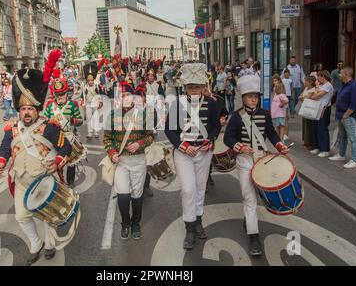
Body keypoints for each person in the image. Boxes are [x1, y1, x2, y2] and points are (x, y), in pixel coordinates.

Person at [0, 67, 72, 265]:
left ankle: (48, 244)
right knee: (21, 216)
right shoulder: (11, 129)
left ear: (37, 110)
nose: (26, 112)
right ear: (19, 111)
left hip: (45, 179)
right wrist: (1, 161)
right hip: (22, 181)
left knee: (47, 217)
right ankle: (35, 242)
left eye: (30, 109)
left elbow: (65, 147)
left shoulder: (50, 126)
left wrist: (57, 163)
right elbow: (4, 148)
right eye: (23, 109)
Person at [224, 74, 288, 256]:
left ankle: (248, 218)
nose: (254, 99)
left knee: (262, 195)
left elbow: (272, 134)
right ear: (243, 97)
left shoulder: (265, 114)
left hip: (262, 160)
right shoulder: (236, 117)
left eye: (256, 96)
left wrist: (279, 145)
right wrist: (240, 146)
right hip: (244, 161)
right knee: (249, 198)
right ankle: (254, 236)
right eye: (250, 96)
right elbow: (228, 137)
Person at [165, 63, 221, 250]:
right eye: (191, 87)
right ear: (185, 87)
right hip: (183, 153)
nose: (194, 90)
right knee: (188, 189)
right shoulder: (176, 104)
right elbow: (170, 130)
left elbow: (215, 126)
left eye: (197, 86)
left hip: (204, 152)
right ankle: (189, 227)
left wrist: (210, 139)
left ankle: (198, 221)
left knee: (199, 189)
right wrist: (182, 145)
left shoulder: (213, 104)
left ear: (203, 86)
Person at [103, 81, 154, 240]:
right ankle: (125, 223)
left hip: (138, 160)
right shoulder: (112, 116)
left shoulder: (143, 114)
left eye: (127, 95)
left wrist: (140, 143)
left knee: (137, 195)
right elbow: (107, 138)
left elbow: (150, 136)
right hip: (121, 162)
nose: (125, 98)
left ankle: (136, 223)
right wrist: (112, 153)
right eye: (122, 95)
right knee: (123, 195)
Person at [44, 76, 83, 187]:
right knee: (56, 164)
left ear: (66, 92)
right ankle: (59, 185)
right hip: (54, 140)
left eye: (62, 93)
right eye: (57, 94)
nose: (60, 96)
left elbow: (80, 121)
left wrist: (72, 120)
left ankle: (70, 183)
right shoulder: (50, 106)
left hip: (69, 138)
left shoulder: (72, 105)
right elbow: (45, 122)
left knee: (70, 163)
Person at [328, 67, 356, 169]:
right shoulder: (344, 85)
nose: (339, 75)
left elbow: (354, 104)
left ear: (346, 74)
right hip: (340, 115)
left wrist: (346, 115)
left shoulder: (354, 86)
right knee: (343, 137)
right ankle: (341, 155)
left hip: (347, 116)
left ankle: (355, 160)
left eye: (341, 73)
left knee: (353, 138)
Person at [306, 70, 334, 158]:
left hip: (324, 109)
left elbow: (317, 96)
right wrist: (315, 92)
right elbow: (313, 95)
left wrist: (315, 92)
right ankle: (316, 146)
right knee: (316, 127)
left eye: (319, 76)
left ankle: (325, 149)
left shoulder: (328, 86)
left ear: (324, 77)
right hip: (317, 108)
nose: (317, 78)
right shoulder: (321, 85)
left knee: (322, 128)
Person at [299, 76, 317, 150]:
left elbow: (306, 97)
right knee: (304, 125)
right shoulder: (306, 88)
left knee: (309, 126)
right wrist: (303, 97)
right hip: (305, 109)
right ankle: (305, 141)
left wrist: (303, 97)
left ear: (310, 82)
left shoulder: (313, 90)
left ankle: (309, 142)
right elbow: (301, 96)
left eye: (306, 81)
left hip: (310, 110)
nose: (304, 82)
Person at [84, 74, 102, 139]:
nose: (90, 82)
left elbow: (100, 94)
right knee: (89, 118)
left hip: (95, 103)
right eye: (89, 81)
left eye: (91, 80)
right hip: (88, 104)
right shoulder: (85, 87)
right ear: (87, 81)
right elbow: (82, 95)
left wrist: (100, 102)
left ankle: (96, 132)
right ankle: (89, 132)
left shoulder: (97, 86)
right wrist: (83, 103)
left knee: (96, 118)